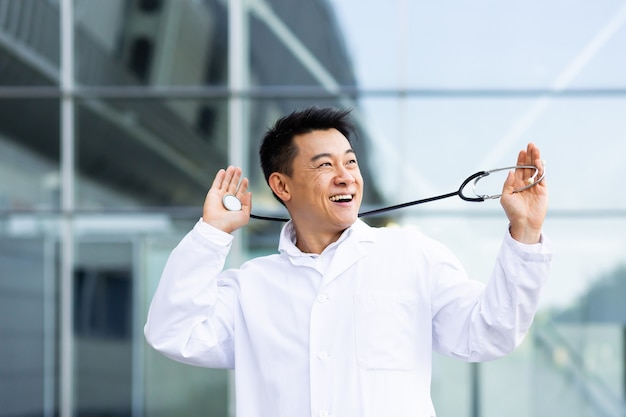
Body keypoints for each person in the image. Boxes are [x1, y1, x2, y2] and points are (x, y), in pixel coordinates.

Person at [144, 106, 552, 417]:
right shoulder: (250, 287)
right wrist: (212, 233)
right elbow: (172, 331)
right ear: (281, 185)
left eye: (350, 162)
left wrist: (525, 232)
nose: (346, 176)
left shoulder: (413, 255)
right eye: (325, 165)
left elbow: (489, 333)